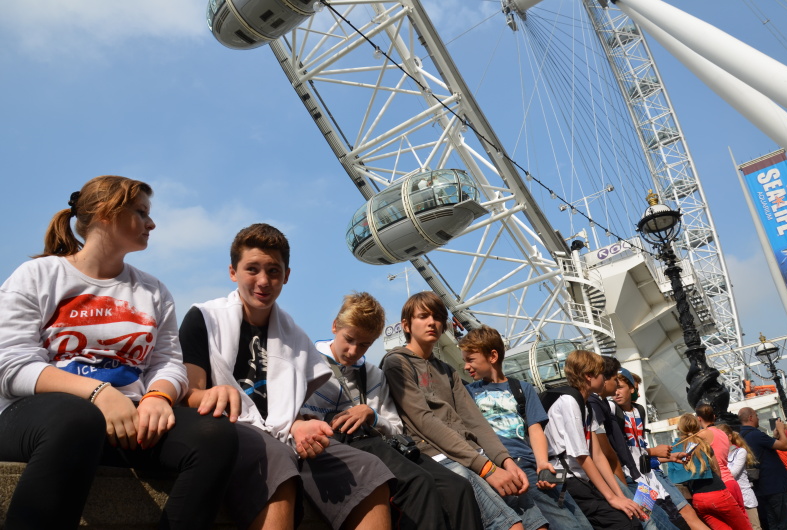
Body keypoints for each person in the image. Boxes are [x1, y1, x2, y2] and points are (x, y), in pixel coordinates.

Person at [0, 176, 239, 529]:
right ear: (106, 213)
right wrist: (98, 393)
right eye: (141, 212)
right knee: (79, 418)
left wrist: (158, 396)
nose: (151, 223)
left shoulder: (154, 291)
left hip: (129, 422)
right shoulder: (39, 274)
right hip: (41, 420)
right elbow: (11, 364)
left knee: (215, 435)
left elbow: (167, 363)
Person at [179, 223, 393, 530]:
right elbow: (189, 394)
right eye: (252, 269)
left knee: (370, 471)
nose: (263, 281)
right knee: (277, 460)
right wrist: (213, 395)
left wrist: (299, 425)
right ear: (233, 272)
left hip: (284, 436)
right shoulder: (204, 318)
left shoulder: (296, 338)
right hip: (230, 430)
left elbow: (285, 412)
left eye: (273, 271)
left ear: (286, 276)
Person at [300, 292, 482, 530]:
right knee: (418, 483)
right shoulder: (305, 363)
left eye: (364, 345)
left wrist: (371, 415)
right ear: (335, 326)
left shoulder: (373, 375)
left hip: (376, 444)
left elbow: (395, 427)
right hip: (332, 447)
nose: (353, 351)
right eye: (349, 339)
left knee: (458, 487)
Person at [381, 291, 546, 530]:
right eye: (423, 316)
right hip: (440, 457)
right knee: (512, 526)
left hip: (475, 454)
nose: (432, 322)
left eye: (438, 317)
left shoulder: (448, 370)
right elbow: (422, 420)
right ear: (406, 325)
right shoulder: (397, 363)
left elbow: (475, 421)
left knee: (537, 524)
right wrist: (487, 468)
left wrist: (506, 461)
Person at [459, 325, 593, 530]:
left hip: (529, 464)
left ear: (493, 356)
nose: (466, 366)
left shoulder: (522, 388)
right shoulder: (467, 393)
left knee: (577, 522)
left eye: (470, 360)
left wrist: (542, 463)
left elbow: (535, 428)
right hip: (501, 467)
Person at [542, 350, 646, 529]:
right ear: (588, 376)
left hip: (581, 478)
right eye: (601, 374)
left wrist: (619, 496)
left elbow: (597, 455)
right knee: (623, 524)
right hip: (567, 479)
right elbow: (581, 455)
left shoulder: (586, 406)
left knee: (629, 521)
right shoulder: (569, 401)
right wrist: (612, 498)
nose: (605, 379)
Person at [607, 366, 703, 530]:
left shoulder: (639, 410)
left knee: (676, 520)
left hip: (650, 480)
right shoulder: (611, 410)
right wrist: (652, 451)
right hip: (633, 483)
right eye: (613, 388)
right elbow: (620, 452)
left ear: (632, 388)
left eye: (620, 387)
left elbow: (638, 451)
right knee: (654, 525)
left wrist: (668, 457)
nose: (616, 393)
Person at [668, 414, 752, 529]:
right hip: (718, 493)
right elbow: (717, 471)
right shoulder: (703, 444)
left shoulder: (673, 449)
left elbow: (672, 476)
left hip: (698, 499)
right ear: (697, 425)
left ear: (679, 428)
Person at [738, 407, 787, 530]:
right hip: (776, 485)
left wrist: (775, 437)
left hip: (761, 487)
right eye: (756, 415)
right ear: (750, 418)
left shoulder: (740, 436)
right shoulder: (756, 434)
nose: (758, 418)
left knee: (773, 523)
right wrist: (781, 429)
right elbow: (785, 445)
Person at [694, 404, 746, 513]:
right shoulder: (722, 433)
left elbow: (688, 451)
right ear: (714, 417)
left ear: (699, 419)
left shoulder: (702, 435)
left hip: (721, 483)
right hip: (732, 482)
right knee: (743, 518)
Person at [716, 423, 761, 530]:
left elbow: (733, 473)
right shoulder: (718, 455)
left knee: (754, 527)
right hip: (730, 499)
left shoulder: (740, 452)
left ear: (729, 437)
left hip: (745, 498)